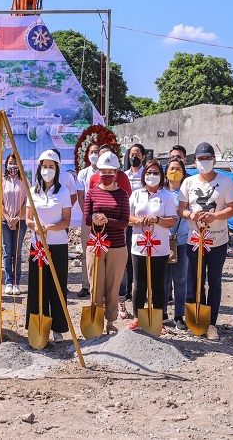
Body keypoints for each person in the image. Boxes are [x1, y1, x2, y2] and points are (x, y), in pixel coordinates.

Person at [177, 142, 233, 340]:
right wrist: (190, 214)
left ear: (214, 159)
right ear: (194, 161)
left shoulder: (225, 182)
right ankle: (198, 321)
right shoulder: (188, 183)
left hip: (217, 240)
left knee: (215, 281)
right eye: (201, 159)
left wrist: (216, 216)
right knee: (195, 280)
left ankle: (211, 323)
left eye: (208, 158)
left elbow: (232, 208)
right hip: (195, 239)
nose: (204, 162)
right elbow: (181, 208)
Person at [25, 150, 72, 342]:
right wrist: (35, 227)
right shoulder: (32, 191)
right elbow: (27, 218)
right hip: (37, 245)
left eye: (51, 167)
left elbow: (67, 221)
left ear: (57, 169)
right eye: (44, 166)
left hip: (57, 244)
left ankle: (58, 327)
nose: (47, 170)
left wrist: (50, 227)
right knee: (37, 285)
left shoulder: (63, 192)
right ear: (39, 169)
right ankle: (36, 325)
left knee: (57, 285)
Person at [126, 160, 178, 332]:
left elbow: (172, 220)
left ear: (161, 176)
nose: (151, 176)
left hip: (159, 246)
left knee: (158, 284)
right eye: (148, 173)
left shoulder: (167, 196)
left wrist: (157, 220)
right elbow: (128, 218)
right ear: (143, 175)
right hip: (139, 245)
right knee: (139, 283)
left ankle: (158, 318)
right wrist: (140, 220)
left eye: (155, 173)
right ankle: (137, 317)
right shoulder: (136, 195)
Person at [83, 151, 130, 334]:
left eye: (110, 172)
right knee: (96, 287)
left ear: (116, 173)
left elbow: (124, 222)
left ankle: (111, 322)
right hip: (95, 246)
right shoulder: (92, 193)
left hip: (117, 247)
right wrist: (94, 218)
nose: (106, 175)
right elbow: (87, 218)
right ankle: (95, 323)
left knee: (112, 287)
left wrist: (107, 220)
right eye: (103, 171)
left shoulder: (122, 195)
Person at [120, 144, 147, 317]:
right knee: (125, 257)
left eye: (137, 154)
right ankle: (125, 293)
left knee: (138, 259)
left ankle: (138, 294)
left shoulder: (148, 174)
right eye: (131, 154)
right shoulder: (124, 175)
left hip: (141, 223)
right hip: (125, 221)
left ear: (143, 157)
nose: (133, 157)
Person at [163, 158, 190, 331]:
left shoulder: (188, 190)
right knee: (164, 279)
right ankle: (163, 313)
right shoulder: (161, 192)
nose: (174, 171)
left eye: (178, 168)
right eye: (171, 168)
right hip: (163, 242)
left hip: (182, 240)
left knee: (180, 279)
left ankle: (179, 314)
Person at [76, 143, 101, 298]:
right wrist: (88, 214)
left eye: (97, 152)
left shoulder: (106, 173)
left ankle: (100, 284)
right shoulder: (83, 174)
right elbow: (80, 195)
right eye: (92, 152)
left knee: (103, 250)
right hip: (88, 218)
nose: (94, 154)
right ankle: (86, 284)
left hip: (104, 219)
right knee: (87, 251)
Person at [0, 153, 27, 296]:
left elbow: (26, 202)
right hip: (6, 222)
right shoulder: (2, 181)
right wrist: (8, 218)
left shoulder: (24, 180)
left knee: (17, 253)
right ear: (6, 164)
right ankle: (8, 282)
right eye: (10, 162)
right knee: (7, 253)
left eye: (15, 163)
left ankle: (17, 282)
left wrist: (16, 218)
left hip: (20, 221)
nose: (13, 166)